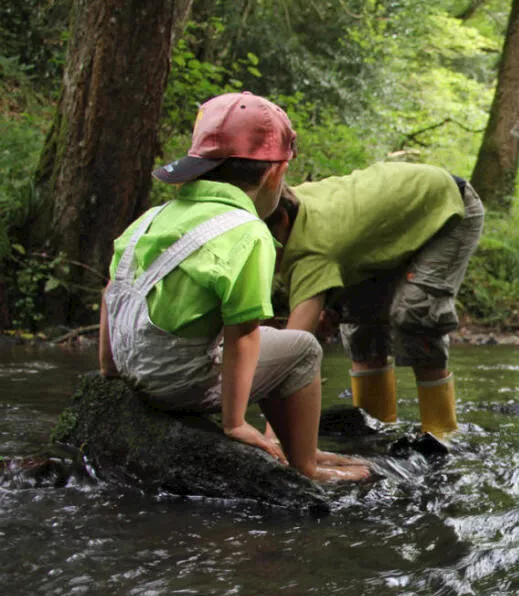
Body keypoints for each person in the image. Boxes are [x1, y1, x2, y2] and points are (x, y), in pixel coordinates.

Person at [97, 91, 367, 483]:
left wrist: (110, 368)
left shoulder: (153, 218)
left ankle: (296, 445)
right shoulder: (247, 232)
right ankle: (305, 465)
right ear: (275, 172)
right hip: (177, 385)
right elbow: (242, 335)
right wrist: (235, 423)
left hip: (131, 368)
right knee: (302, 348)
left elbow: (111, 292)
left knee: (276, 343)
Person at [265, 162, 484, 437]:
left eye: (264, 243)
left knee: (416, 312)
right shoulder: (282, 206)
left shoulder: (315, 248)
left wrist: (272, 440)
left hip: (450, 208)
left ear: (283, 222)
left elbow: (292, 354)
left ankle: (442, 433)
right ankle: (374, 431)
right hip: (386, 230)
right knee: (360, 325)